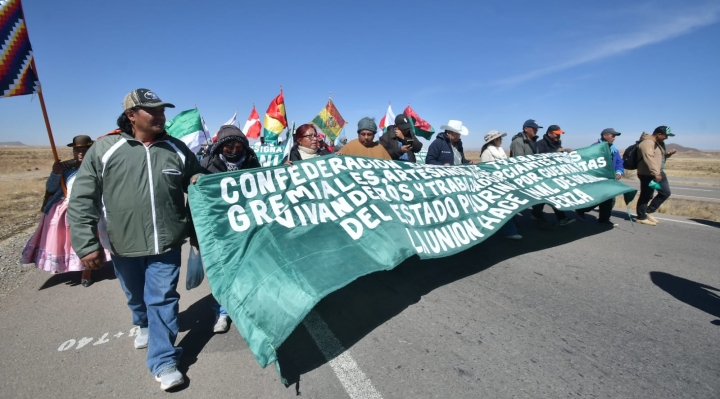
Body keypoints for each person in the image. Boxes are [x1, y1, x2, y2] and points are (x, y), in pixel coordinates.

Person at [68, 88, 204, 391]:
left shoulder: (176, 149)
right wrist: (87, 244)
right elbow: (82, 200)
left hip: (167, 244)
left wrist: (201, 183)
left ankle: (164, 360)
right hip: (123, 244)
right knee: (135, 295)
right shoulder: (105, 150)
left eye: (161, 110)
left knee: (163, 298)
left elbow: (199, 186)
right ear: (131, 116)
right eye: (151, 111)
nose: (160, 116)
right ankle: (142, 322)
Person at [21, 135, 111, 286]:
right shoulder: (66, 169)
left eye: (84, 149)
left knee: (88, 240)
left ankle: (86, 272)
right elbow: (51, 188)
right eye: (77, 150)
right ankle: (63, 264)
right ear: (74, 152)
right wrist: (56, 173)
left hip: (89, 209)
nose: (80, 153)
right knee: (65, 242)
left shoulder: (99, 167)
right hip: (65, 210)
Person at [200, 124, 259, 332]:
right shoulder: (206, 164)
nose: (233, 150)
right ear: (220, 147)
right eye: (228, 146)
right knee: (223, 271)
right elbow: (196, 201)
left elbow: (264, 187)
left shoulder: (252, 162)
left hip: (246, 226)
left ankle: (247, 306)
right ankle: (223, 312)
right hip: (220, 229)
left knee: (246, 268)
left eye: (238, 146)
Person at [576, 128, 624, 226]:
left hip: (610, 179)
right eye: (613, 135)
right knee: (599, 198)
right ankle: (582, 209)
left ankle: (604, 219)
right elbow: (587, 161)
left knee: (610, 199)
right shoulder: (595, 148)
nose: (614, 138)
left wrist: (619, 172)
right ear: (604, 136)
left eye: (615, 136)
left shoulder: (613, 149)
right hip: (598, 179)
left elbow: (619, 162)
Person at [509, 120, 552, 229]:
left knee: (540, 196)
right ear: (526, 129)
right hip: (523, 176)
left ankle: (537, 216)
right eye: (533, 128)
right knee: (517, 201)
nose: (536, 130)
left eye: (537, 128)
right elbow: (518, 161)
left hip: (533, 174)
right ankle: (511, 224)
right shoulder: (518, 142)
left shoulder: (533, 141)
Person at [480, 130, 522, 240]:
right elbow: (486, 170)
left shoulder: (501, 151)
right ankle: (510, 231)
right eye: (499, 138)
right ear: (494, 140)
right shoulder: (487, 153)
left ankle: (508, 229)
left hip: (504, 183)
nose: (501, 140)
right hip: (494, 185)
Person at [533, 125, 575, 226]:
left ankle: (561, 218)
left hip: (555, 176)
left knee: (554, 197)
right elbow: (538, 158)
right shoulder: (540, 144)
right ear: (549, 133)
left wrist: (567, 153)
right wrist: (555, 152)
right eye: (556, 134)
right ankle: (537, 214)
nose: (558, 136)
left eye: (559, 134)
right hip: (543, 176)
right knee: (546, 197)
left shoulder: (558, 144)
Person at [635, 126, 676, 226]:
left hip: (658, 173)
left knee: (665, 193)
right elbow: (648, 158)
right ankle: (641, 217)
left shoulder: (658, 143)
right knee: (646, 195)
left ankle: (648, 211)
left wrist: (667, 154)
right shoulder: (647, 143)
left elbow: (657, 156)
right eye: (665, 136)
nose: (666, 138)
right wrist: (656, 173)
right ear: (658, 134)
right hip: (648, 174)